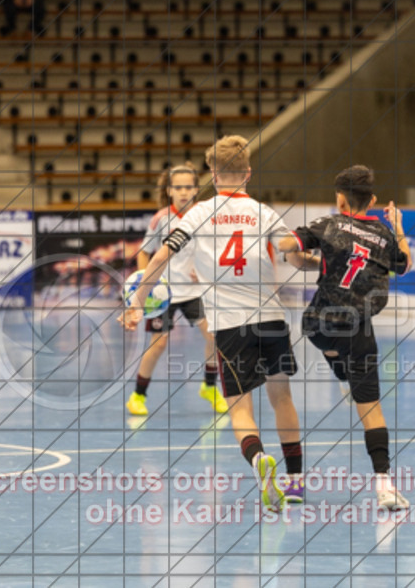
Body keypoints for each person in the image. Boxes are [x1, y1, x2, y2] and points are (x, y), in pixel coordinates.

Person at [120, 135, 312, 511]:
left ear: (212, 173)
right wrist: (320, 263)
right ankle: (296, 481)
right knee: (282, 398)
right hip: (270, 320)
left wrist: (138, 299)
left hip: (228, 325)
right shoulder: (264, 212)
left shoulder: (196, 214)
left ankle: (259, 461)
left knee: (240, 408)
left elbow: (160, 256)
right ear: (248, 173)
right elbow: (294, 252)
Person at [276, 165, 413, 510]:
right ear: (373, 200)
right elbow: (404, 265)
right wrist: (398, 228)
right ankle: (385, 487)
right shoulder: (383, 234)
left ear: (340, 200)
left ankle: (341, 375)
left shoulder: (329, 224)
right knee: (371, 411)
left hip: (318, 326)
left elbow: (286, 245)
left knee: (329, 344)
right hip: (358, 330)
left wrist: (298, 255)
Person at [126, 163, 229, 417]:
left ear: (196, 189)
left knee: (214, 338)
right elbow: (145, 253)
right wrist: (143, 282)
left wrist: (205, 268)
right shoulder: (161, 218)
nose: (184, 192)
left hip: (195, 292)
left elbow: (215, 250)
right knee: (158, 344)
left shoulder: (204, 215)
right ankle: (137, 396)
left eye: (189, 187)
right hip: (163, 294)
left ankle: (209, 387)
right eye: (178, 187)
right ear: (169, 190)